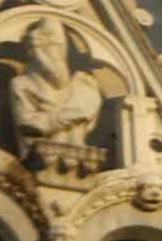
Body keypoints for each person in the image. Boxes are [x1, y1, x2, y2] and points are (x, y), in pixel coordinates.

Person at [10, 18, 102, 156]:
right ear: (34, 51)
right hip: (41, 156)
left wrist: (53, 120)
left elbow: (88, 116)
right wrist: (67, 116)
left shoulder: (84, 86)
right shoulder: (22, 84)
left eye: (58, 46)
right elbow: (28, 125)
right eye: (49, 46)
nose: (55, 53)